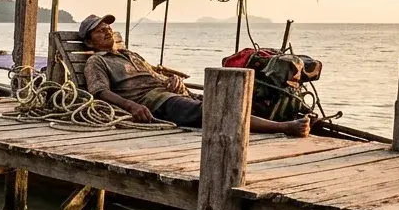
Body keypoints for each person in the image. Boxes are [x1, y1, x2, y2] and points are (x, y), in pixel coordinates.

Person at [78, 14, 310, 137]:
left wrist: (171, 81)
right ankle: (283, 128)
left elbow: (152, 75)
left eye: (108, 28)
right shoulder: (96, 60)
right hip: (154, 102)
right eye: (100, 31)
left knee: (229, 100)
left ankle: (278, 121)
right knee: (215, 111)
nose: (107, 31)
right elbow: (99, 91)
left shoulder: (131, 54)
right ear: (90, 41)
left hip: (169, 92)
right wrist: (131, 106)